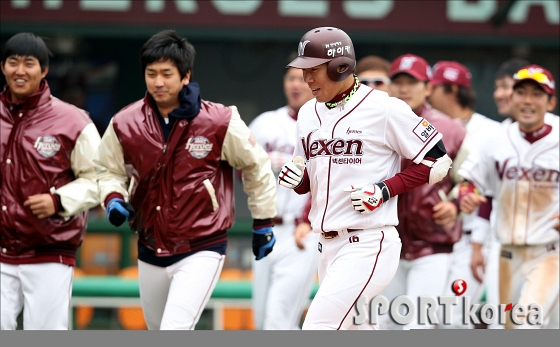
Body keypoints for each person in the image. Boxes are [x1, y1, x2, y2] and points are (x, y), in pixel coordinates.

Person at [94, 30, 277, 330]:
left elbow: (256, 166)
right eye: (151, 73)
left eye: (167, 73)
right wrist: (113, 196)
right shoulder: (124, 122)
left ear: (185, 76)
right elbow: (106, 169)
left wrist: (263, 221)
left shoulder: (219, 120)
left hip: (203, 245)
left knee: (174, 330)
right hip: (149, 246)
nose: (158, 81)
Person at [278, 27, 452, 330]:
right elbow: (309, 181)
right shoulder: (308, 113)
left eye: (314, 70)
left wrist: (385, 190)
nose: (307, 80)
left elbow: (438, 159)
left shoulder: (384, 107)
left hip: (369, 242)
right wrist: (299, 180)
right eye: (303, 71)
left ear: (340, 67)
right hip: (326, 245)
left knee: (318, 327)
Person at [0, 32, 101, 330]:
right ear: (3, 67)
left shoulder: (73, 120)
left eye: (29, 63)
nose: (20, 70)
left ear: (43, 70)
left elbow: (101, 179)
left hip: (50, 251)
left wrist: (58, 201)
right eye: (13, 62)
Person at [459, 64, 559, 329]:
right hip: (506, 254)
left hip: (549, 252)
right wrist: (466, 195)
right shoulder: (495, 138)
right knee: (508, 330)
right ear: (511, 98)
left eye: (537, 94)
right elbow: (468, 181)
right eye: (521, 92)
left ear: (551, 102)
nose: (527, 100)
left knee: (527, 325)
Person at [378, 54, 466, 330]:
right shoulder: (375, 125)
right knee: (385, 327)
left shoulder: (451, 130)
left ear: (428, 87)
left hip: (432, 244)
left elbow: (471, 179)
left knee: (418, 327)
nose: (404, 88)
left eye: (412, 82)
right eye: (398, 81)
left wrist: (456, 204)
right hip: (387, 242)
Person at [249, 55, 319, 330]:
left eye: (303, 78)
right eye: (291, 77)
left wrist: (309, 220)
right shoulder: (265, 122)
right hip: (265, 226)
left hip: (300, 231)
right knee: (261, 317)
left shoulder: (325, 125)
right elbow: (239, 166)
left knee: (279, 319)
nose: (296, 84)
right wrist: (264, 162)